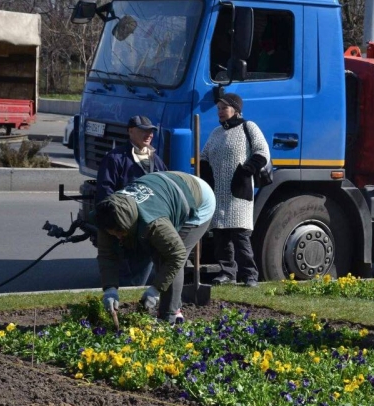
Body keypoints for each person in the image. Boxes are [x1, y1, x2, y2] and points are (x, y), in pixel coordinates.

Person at [96, 171, 215, 324]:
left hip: (199, 199)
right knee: (159, 255)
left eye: (120, 232)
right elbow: (107, 255)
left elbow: (176, 256)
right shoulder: (106, 215)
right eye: (113, 234)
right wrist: (109, 289)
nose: (118, 237)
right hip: (166, 187)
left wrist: (155, 290)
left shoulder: (154, 223)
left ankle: (169, 318)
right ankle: (173, 306)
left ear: (128, 224)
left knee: (168, 257)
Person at [200, 93, 270, 287]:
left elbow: (262, 152)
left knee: (240, 236)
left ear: (236, 109)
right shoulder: (216, 133)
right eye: (219, 109)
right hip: (218, 193)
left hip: (238, 191)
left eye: (224, 108)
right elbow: (204, 156)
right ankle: (227, 272)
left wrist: (246, 171)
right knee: (221, 236)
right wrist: (206, 177)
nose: (221, 112)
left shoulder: (249, 127)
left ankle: (250, 275)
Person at [95, 115, 168, 286]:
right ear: (130, 131)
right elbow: (105, 193)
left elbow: (165, 189)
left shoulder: (156, 160)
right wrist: (118, 224)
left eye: (151, 131)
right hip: (125, 228)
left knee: (145, 268)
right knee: (126, 275)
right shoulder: (115, 158)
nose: (149, 134)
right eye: (144, 130)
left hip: (150, 225)